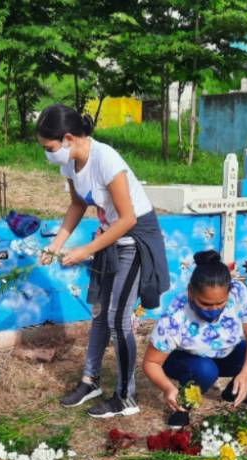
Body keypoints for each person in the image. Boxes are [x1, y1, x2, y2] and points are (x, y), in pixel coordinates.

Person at [36, 104, 170, 419]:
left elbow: (127, 219)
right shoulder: (71, 164)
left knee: (117, 318)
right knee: (100, 312)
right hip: (110, 238)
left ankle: (126, 396)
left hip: (134, 239)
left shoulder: (106, 159)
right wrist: (56, 245)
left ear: (68, 138)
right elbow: (77, 205)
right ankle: (90, 380)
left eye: (50, 148)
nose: (47, 155)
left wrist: (85, 251)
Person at [144, 250, 247, 429]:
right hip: (186, 360)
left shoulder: (239, 294)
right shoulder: (175, 316)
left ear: (229, 293)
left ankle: (233, 392)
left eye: (220, 303)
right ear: (190, 292)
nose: (214, 309)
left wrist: (245, 375)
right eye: (206, 304)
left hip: (225, 353)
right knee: (206, 371)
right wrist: (168, 388)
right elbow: (151, 363)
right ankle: (183, 406)